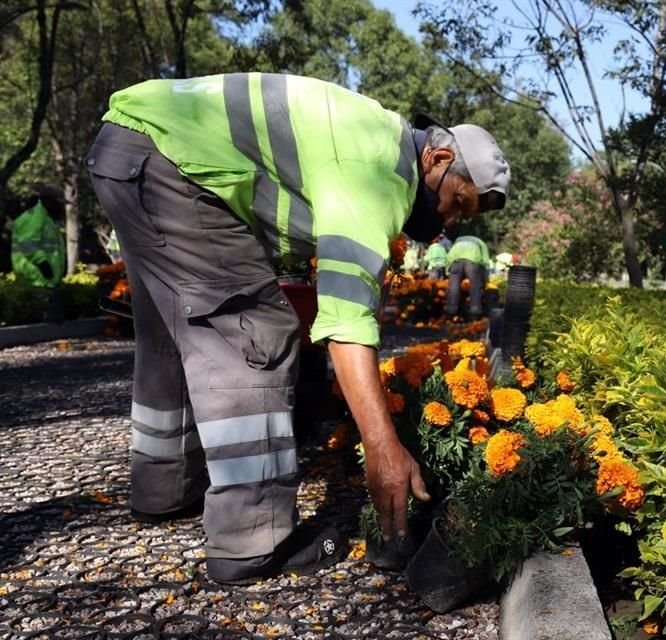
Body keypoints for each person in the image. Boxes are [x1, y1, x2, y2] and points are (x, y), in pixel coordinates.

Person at [84, 73, 510, 585]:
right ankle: (253, 539)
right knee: (256, 327)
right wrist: (384, 449)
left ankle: (163, 487)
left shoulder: (372, 133)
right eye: (458, 203)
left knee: (176, 330)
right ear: (437, 161)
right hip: (171, 163)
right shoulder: (377, 168)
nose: (448, 223)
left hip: (129, 147)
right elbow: (347, 322)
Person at [11, 186, 66, 321]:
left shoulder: (47, 219)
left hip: (46, 280)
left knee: (52, 327)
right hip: (36, 278)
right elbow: (28, 244)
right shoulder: (35, 217)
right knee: (43, 322)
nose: (61, 207)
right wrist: (42, 263)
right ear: (47, 202)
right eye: (58, 203)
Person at [445, 235, 490, 318]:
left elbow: (449, 256)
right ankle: (475, 311)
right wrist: (485, 279)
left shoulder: (458, 240)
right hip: (472, 261)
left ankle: (451, 310)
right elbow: (485, 261)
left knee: (453, 286)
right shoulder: (481, 243)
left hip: (456, 260)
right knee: (475, 286)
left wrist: (447, 271)